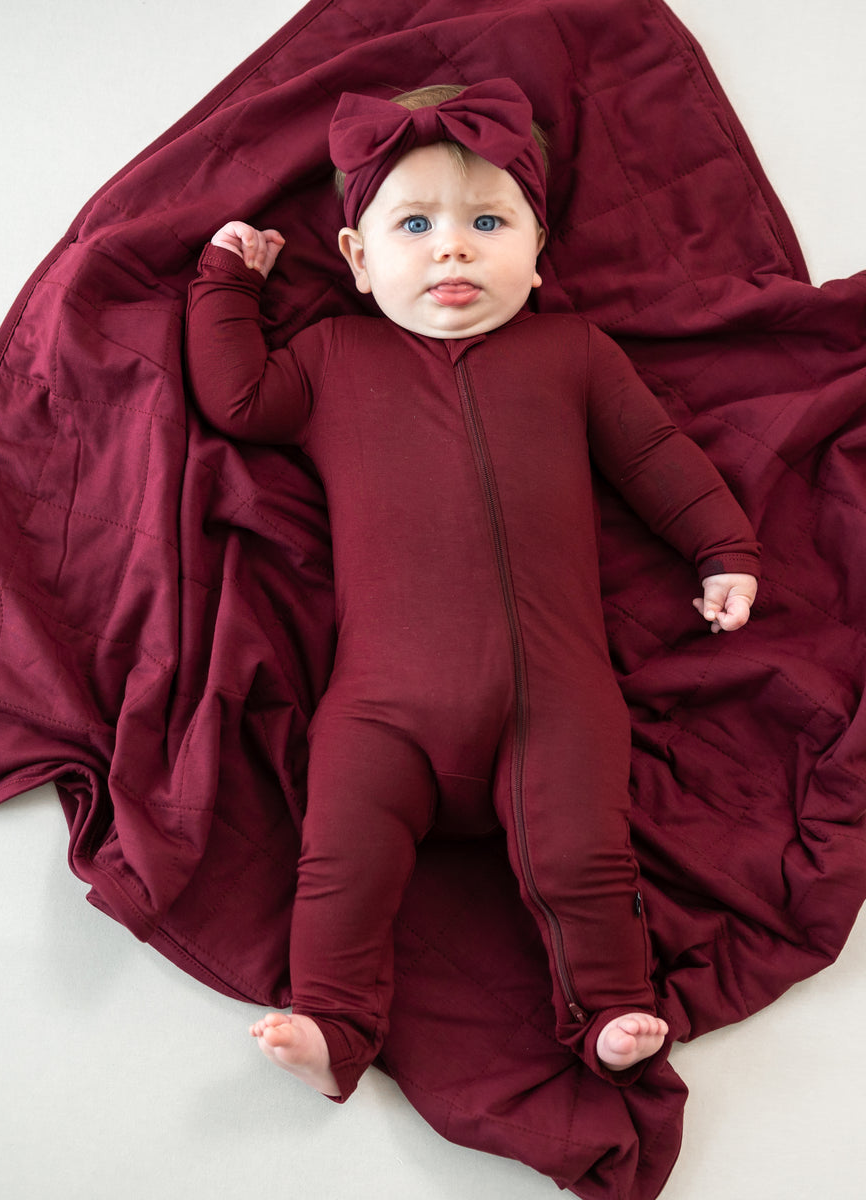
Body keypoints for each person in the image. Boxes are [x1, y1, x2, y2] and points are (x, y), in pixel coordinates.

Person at [185, 78, 761, 1102]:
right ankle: (334, 1022)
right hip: (380, 708)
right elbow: (237, 397)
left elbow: (658, 457)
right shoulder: (327, 359)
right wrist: (227, 287)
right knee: (341, 861)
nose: (452, 248)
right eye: (415, 225)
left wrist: (723, 549)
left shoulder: (572, 354)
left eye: (488, 222)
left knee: (585, 858)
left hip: (555, 702)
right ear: (360, 262)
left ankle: (610, 1013)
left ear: (539, 254)